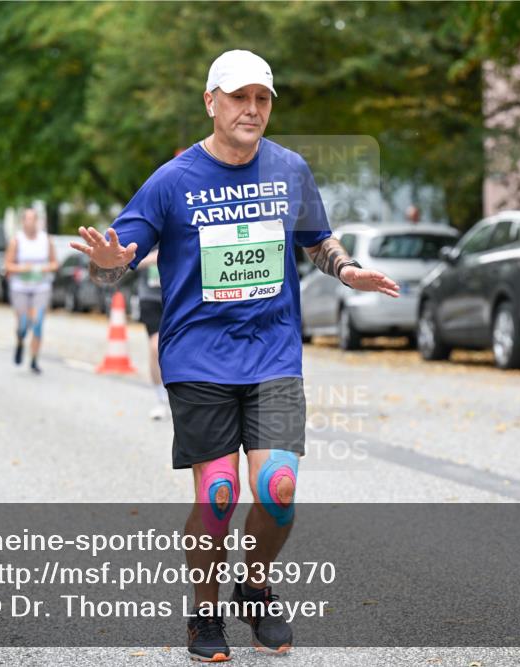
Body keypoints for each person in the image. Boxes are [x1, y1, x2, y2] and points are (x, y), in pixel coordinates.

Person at [71, 49, 398, 662]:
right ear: (211, 101)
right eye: (239, 97)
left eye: (263, 99)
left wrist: (347, 269)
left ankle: (253, 585)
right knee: (219, 495)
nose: (252, 109)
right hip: (198, 358)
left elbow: (315, 239)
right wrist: (108, 264)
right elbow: (120, 257)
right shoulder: (172, 180)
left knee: (276, 489)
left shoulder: (289, 169)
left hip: (273, 352)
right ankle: (203, 612)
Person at [5, 208, 57, 374]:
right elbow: (7, 265)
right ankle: (20, 340)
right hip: (20, 287)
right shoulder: (17, 241)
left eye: (33, 219)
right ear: (23, 222)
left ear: (37, 221)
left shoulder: (45, 239)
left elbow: (55, 263)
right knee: (23, 323)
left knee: (38, 323)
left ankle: (34, 359)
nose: (30, 223)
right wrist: (23, 268)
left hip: (41, 287)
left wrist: (44, 268)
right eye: (27, 219)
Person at [135, 247, 168, 420]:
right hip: (150, 299)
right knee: (155, 348)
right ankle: (160, 398)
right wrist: (151, 258)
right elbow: (127, 262)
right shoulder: (147, 228)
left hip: (176, 297)